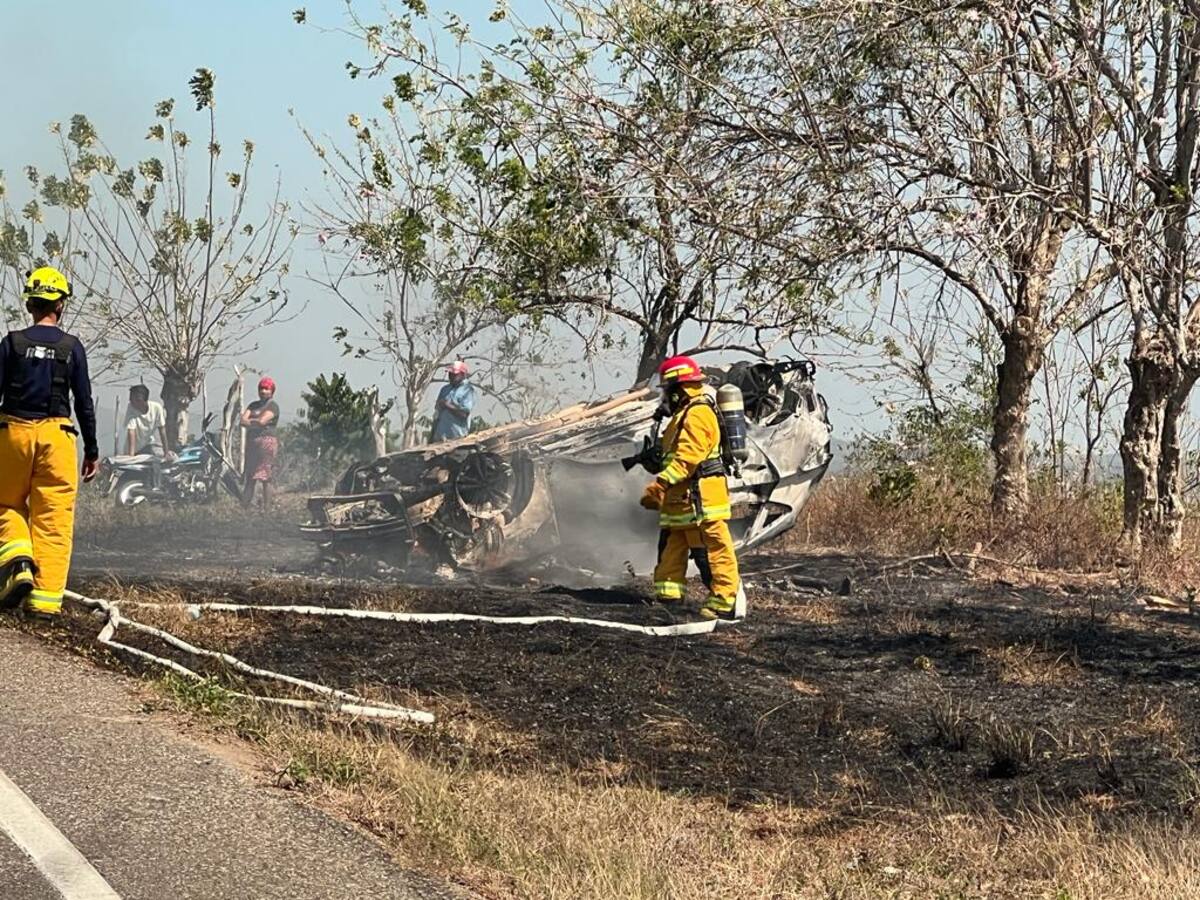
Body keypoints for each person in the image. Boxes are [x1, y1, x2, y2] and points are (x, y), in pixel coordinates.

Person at [0, 266, 99, 618]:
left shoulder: (11, 343)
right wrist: (92, 450)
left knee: (4, 504)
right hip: (58, 439)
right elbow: (84, 402)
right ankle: (44, 604)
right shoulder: (73, 348)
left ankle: (17, 562)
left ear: (31, 305)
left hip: (13, 434)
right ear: (61, 306)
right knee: (54, 522)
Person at [640, 355, 745, 621]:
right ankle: (670, 597)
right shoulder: (681, 416)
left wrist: (660, 484)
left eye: (667, 391)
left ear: (680, 389)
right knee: (672, 549)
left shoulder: (698, 414)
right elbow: (672, 456)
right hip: (682, 501)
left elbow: (688, 458)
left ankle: (724, 602)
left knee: (716, 550)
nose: (664, 398)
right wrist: (654, 461)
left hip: (702, 498)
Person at [241, 376, 280, 510]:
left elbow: (262, 421)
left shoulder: (272, 406)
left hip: (266, 443)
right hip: (252, 443)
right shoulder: (253, 405)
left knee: (266, 477)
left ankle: (267, 509)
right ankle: (244, 508)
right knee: (250, 477)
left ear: (271, 391)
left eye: (266, 389)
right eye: (261, 388)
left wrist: (251, 422)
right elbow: (242, 421)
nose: (263, 391)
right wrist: (256, 422)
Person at [430, 360, 475, 442]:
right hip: (440, 439)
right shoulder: (445, 389)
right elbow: (437, 415)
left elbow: (464, 414)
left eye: (454, 374)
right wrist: (432, 436)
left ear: (463, 374)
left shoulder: (467, 390)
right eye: (450, 373)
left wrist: (447, 405)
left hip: (457, 440)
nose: (451, 376)